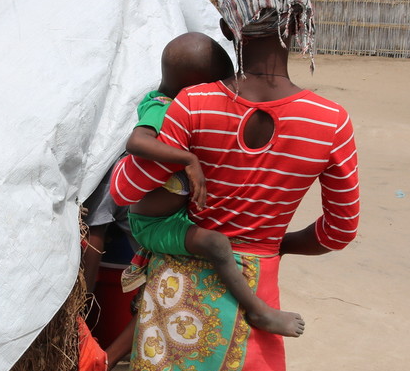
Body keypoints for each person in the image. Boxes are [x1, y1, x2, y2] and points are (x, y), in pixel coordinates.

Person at [110, 0, 360, 371]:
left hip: (176, 293)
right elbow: (340, 230)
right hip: (256, 290)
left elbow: (126, 190)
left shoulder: (192, 104)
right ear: (300, 22)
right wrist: (274, 245)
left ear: (229, 29)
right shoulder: (331, 122)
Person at [122, 32, 305, 340]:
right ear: (195, 87)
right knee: (216, 244)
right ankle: (258, 310)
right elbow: (137, 142)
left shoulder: (181, 105)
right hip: (153, 222)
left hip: (173, 212)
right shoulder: (159, 106)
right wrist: (189, 159)